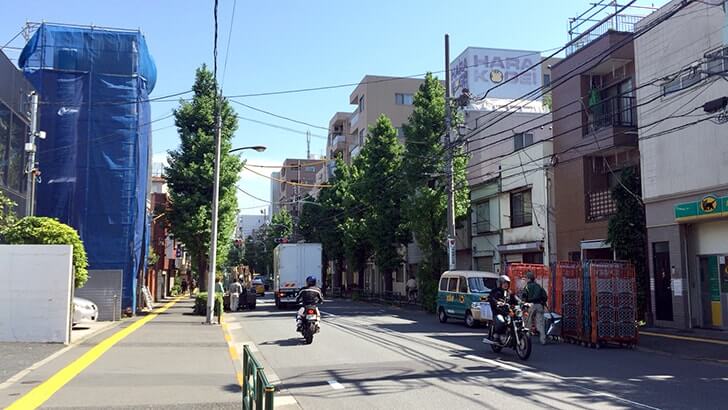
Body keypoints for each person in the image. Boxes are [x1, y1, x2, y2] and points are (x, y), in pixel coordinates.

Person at [488, 275, 519, 344]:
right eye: (504, 283)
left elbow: (516, 300)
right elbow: (491, 298)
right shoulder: (495, 291)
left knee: (518, 319)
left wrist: (523, 303)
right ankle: (496, 336)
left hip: (508, 312)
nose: (506, 285)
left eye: (507, 283)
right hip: (498, 312)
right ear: (500, 283)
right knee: (501, 321)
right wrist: (497, 302)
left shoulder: (509, 293)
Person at [521, 271, 548, 345]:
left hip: (530, 305)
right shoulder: (538, 286)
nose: (525, 280)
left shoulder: (527, 287)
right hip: (539, 305)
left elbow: (524, 296)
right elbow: (545, 296)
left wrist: (523, 303)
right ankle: (543, 339)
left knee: (527, 323)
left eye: (526, 278)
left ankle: (527, 339)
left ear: (529, 279)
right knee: (540, 323)